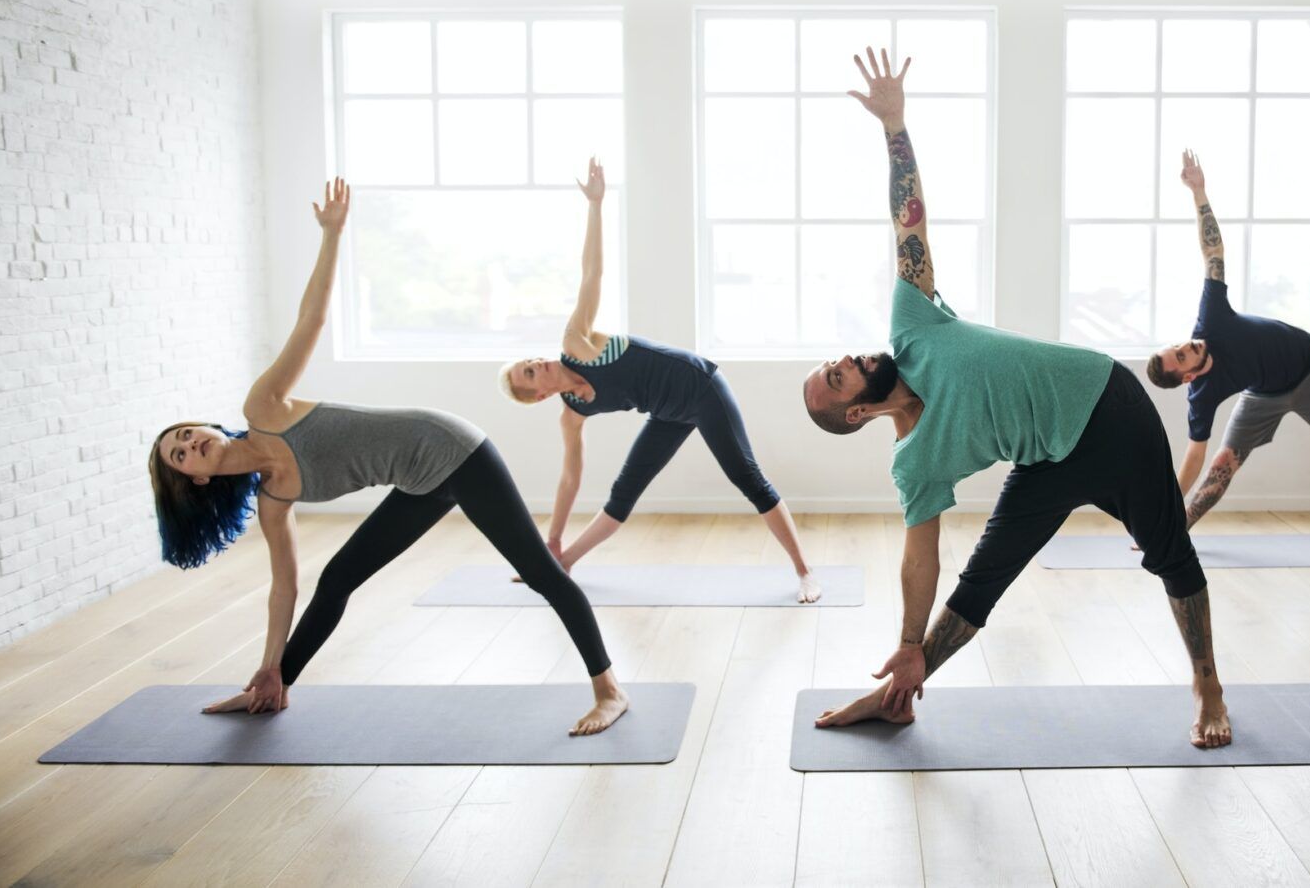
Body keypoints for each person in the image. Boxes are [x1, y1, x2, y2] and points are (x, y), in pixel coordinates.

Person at [801, 50, 1231, 749]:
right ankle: (898, 688)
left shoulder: (912, 324)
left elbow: (909, 224)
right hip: (1048, 459)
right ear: (856, 413)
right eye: (842, 376)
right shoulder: (916, 465)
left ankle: (1208, 684)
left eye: (839, 360)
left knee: (1171, 554)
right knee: (980, 583)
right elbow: (921, 558)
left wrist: (894, 126)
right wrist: (909, 638)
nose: (850, 358)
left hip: (1109, 409)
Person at [149, 178, 628, 735]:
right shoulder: (273, 500)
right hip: (418, 479)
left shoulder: (264, 406)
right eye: (179, 455)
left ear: (207, 426)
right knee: (337, 578)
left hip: (451, 447)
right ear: (197, 481)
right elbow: (286, 588)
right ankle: (276, 689)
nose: (189, 443)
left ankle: (609, 691)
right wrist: (268, 666)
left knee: (539, 571)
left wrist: (331, 234)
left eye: (185, 433)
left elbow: (312, 321)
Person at [498, 158, 821, 603]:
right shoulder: (572, 415)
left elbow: (592, 273)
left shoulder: (577, 342)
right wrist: (552, 539)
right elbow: (570, 478)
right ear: (537, 395)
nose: (539, 363)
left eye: (532, 360)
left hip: (700, 387)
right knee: (621, 495)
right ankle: (565, 561)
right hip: (667, 412)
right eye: (530, 372)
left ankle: (805, 573)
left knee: (748, 478)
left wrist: (595, 206)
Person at [1145, 149, 1310, 559]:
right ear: (1188, 378)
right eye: (1180, 358)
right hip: (1263, 393)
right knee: (1222, 465)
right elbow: (1194, 457)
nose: (1185, 348)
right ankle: (1176, 532)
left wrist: (1198, 191)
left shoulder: (1210, 321)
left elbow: (1213, 255)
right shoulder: (1202, 395)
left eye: (1177, 347)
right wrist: (1165, 515)